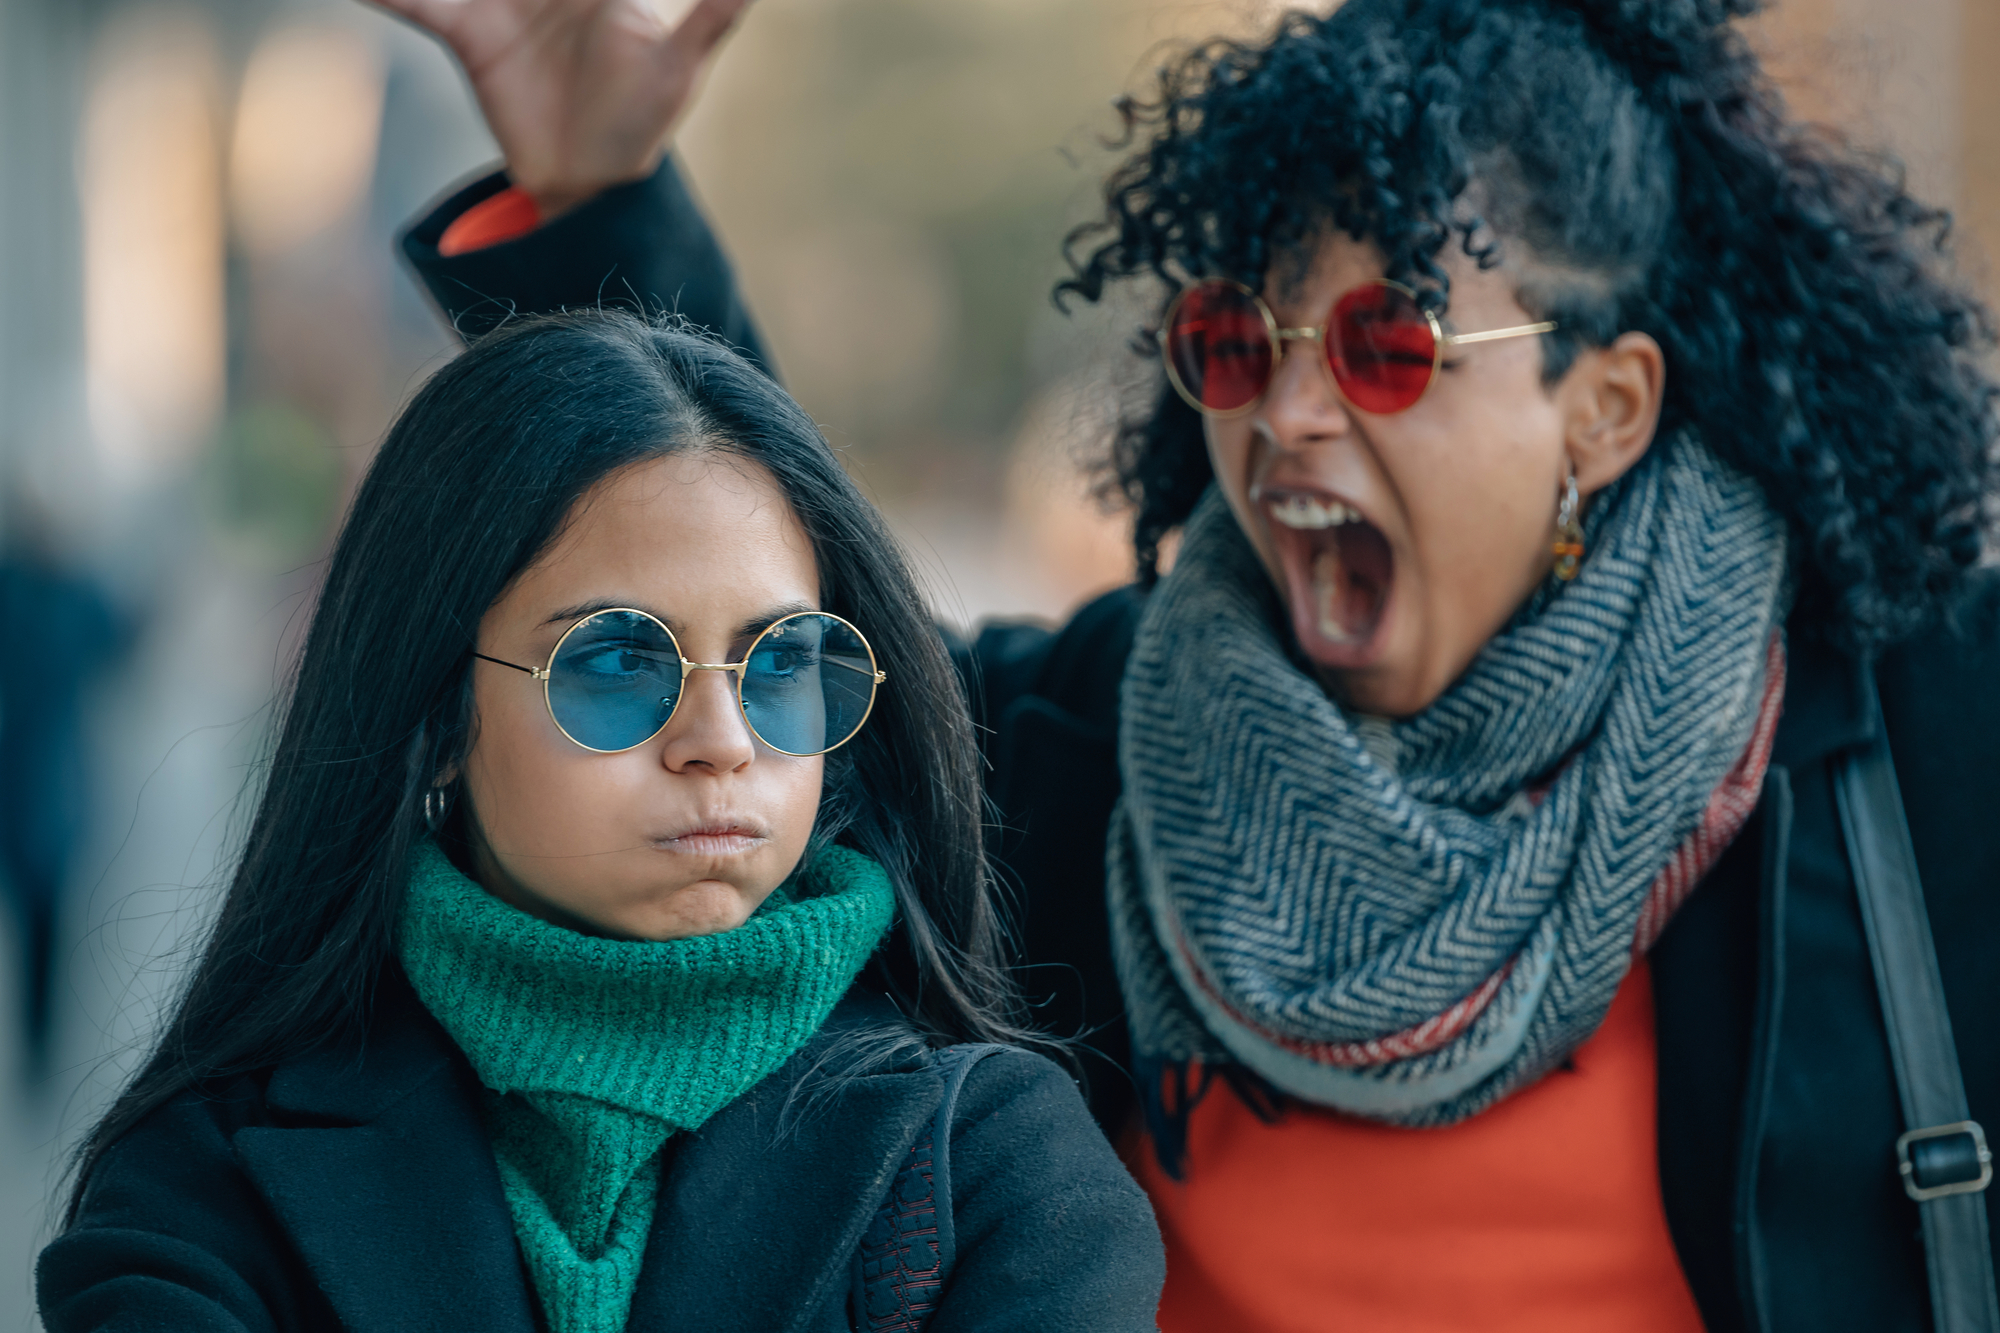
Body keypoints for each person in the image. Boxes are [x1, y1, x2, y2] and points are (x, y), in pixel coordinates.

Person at [376, 0, 2000, 1329]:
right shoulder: (1103, 747)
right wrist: (601, 196)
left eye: (1388, 342)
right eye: (1241, 341)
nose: (1288, 413)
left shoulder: (1918, 744)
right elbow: (796, 648)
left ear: (1610, 407)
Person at [36, 312, 1164, 1332]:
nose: (719, 739)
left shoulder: (1003, 1170)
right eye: (618, 661)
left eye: (782, 663)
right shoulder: (202, 1182)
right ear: (438, 716)